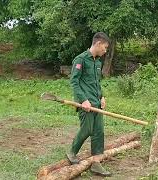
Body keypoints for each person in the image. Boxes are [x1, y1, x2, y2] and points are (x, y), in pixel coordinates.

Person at [67, 32, 111, 176]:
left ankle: (96, 164)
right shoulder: (80, 59)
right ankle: (72, 152)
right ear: (98, 44)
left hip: (97, 104)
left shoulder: (97, 62)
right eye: (104, 47)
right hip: (85, 104)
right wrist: (83, 100)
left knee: (99, 133)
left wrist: (102, 96)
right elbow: (74, 82)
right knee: (86, 130)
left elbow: (97, 83)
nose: (105, 51)